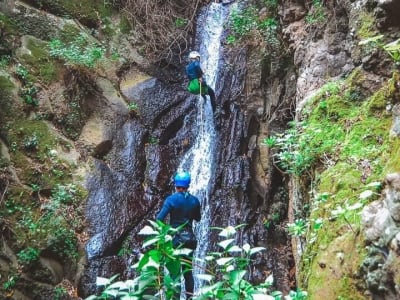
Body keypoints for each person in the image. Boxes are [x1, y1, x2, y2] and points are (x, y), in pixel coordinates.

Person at [156, 171, 201, 299]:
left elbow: (159, 219)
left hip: (175, 240)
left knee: (175, 273)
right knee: (188, 272)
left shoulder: (171, 200)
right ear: (188, 185)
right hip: (190, 240)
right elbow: (198, 218)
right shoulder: (195, 201)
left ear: (176, 185)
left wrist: (164, 234)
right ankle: (189, 298)